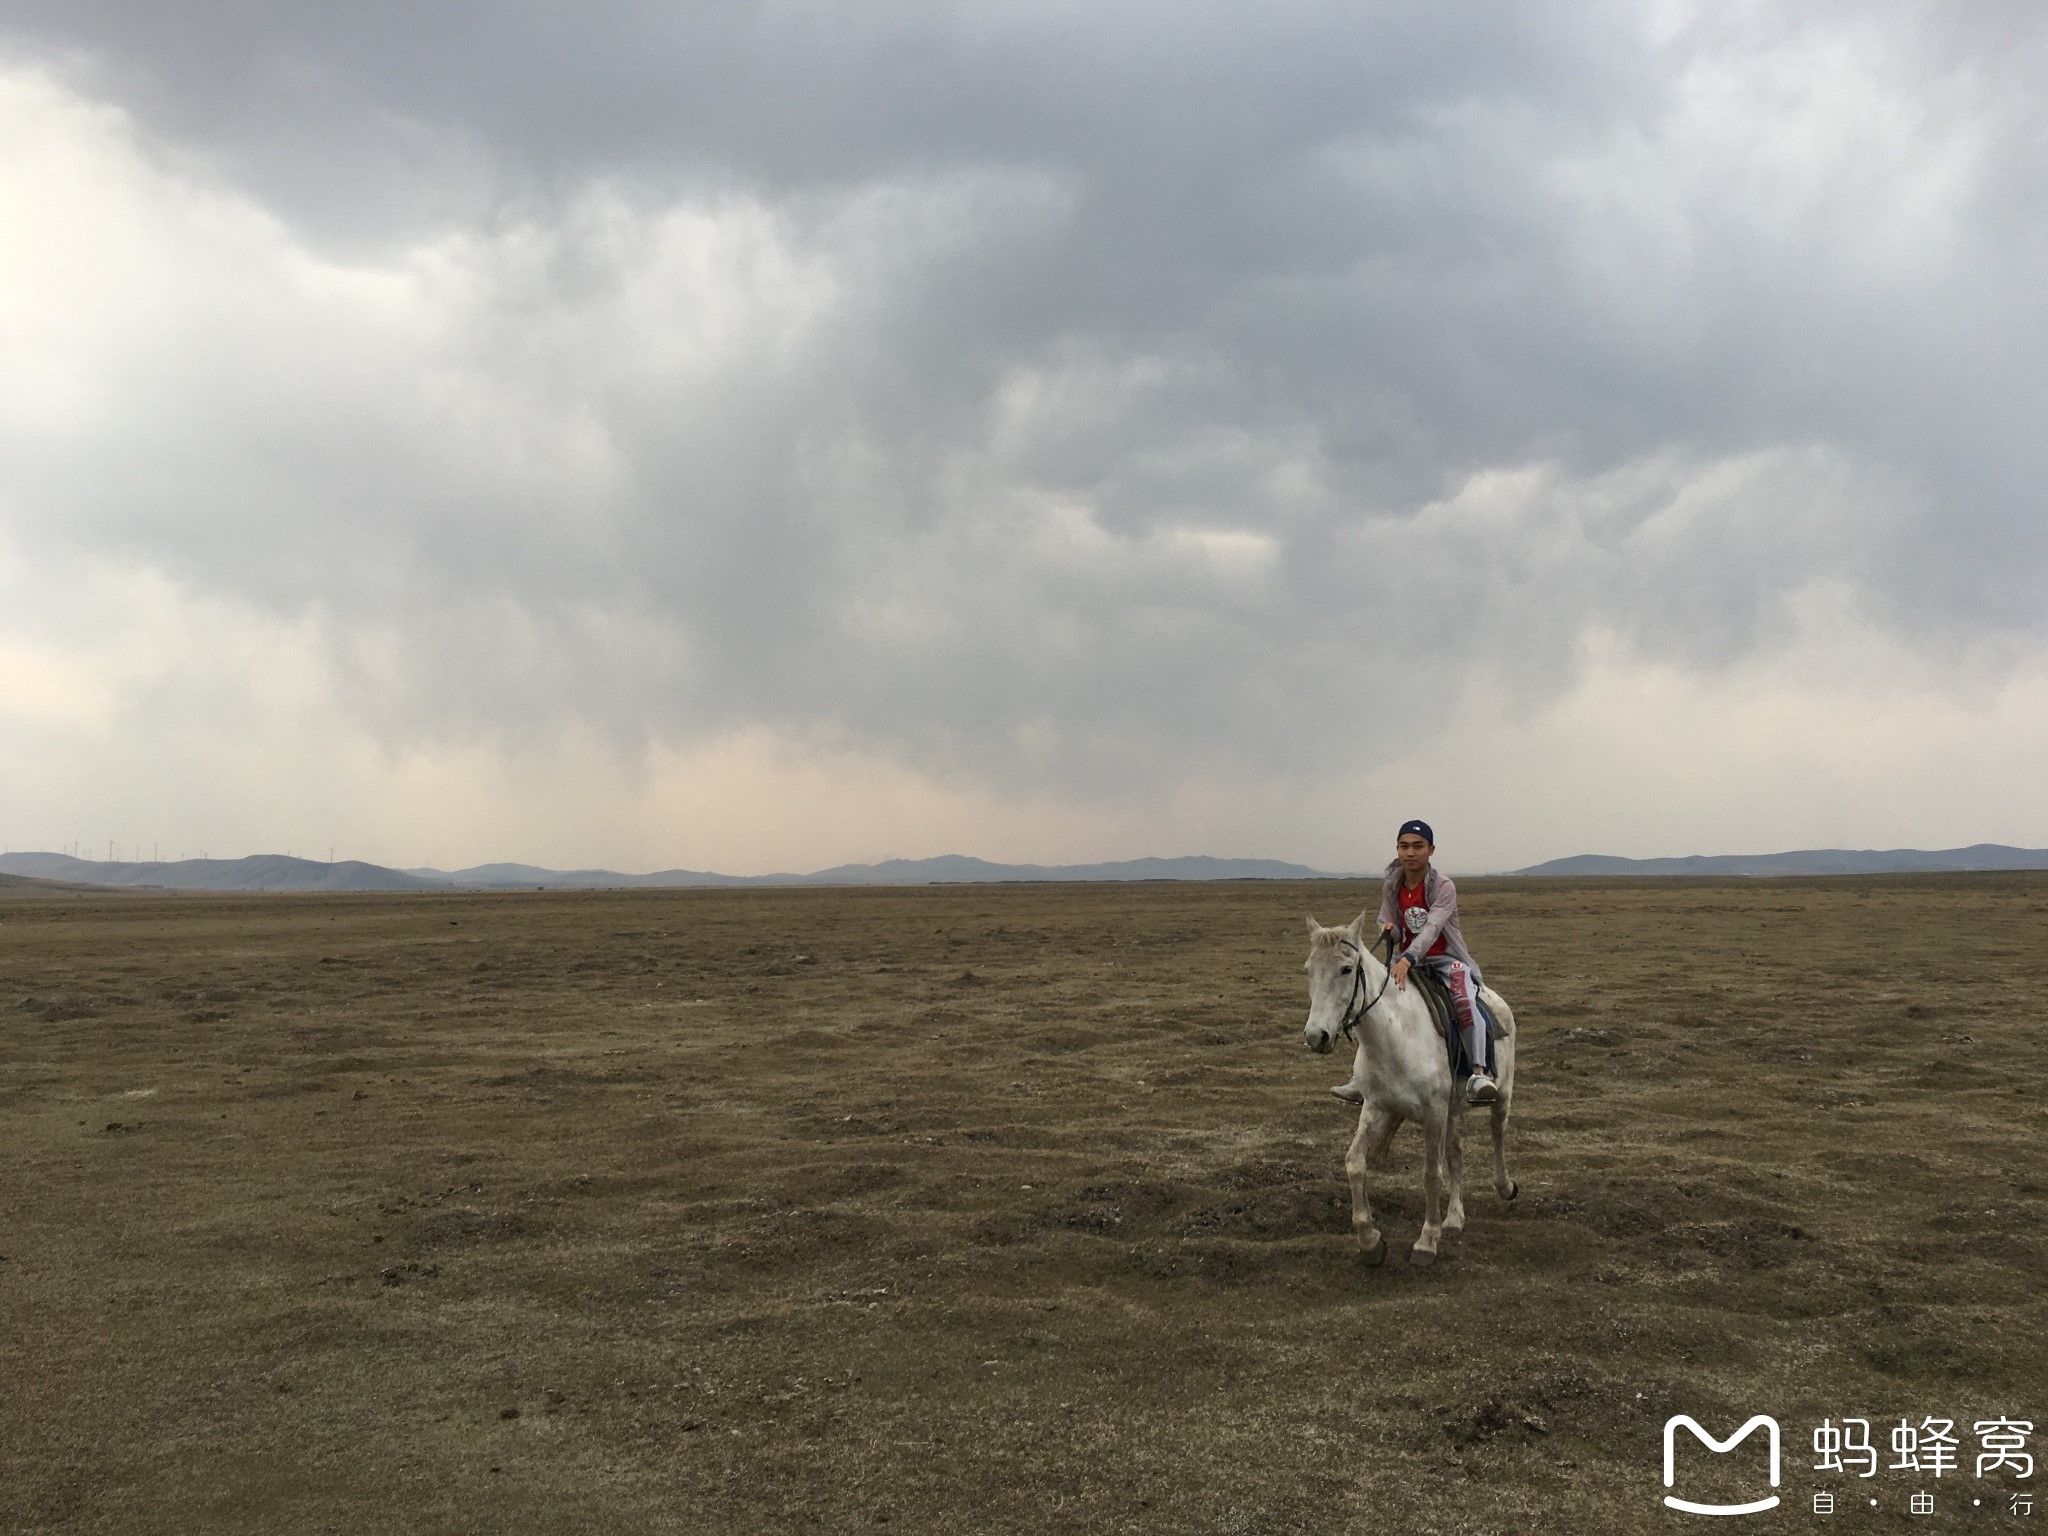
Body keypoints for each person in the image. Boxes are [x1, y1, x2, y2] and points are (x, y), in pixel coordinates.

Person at [1331, 818, 1498, 1107]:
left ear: (1431, 850)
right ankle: (1364, 1078)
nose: (1410, 853)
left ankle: (1479, 1073)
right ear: (1397, 849)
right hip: (1403, 960)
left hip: (1445, 959)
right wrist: (1388, 928)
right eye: (1404, 846)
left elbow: (1432, 926)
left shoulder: (1443, 887)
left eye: (1418, 846)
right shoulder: (1392, 885)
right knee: (1372, 1003)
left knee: (1464, 999)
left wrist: (1408, 958)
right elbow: (1389, 919)